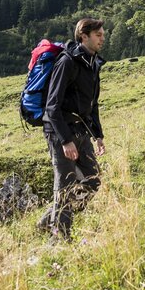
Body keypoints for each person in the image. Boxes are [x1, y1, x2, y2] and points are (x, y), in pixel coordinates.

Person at [42, 17, 107, 240]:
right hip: (60, 132)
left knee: (94, 182)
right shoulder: (66, 62)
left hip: (81, 131)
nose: (102, 38)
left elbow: (92, 103)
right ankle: (58, 238)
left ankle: (48, 221)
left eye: (102, 34)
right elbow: (52, 106)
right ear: (83, 36)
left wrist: (98, 135)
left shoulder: (93, 63)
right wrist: (65, 140)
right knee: (65, 185)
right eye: (98, 35)